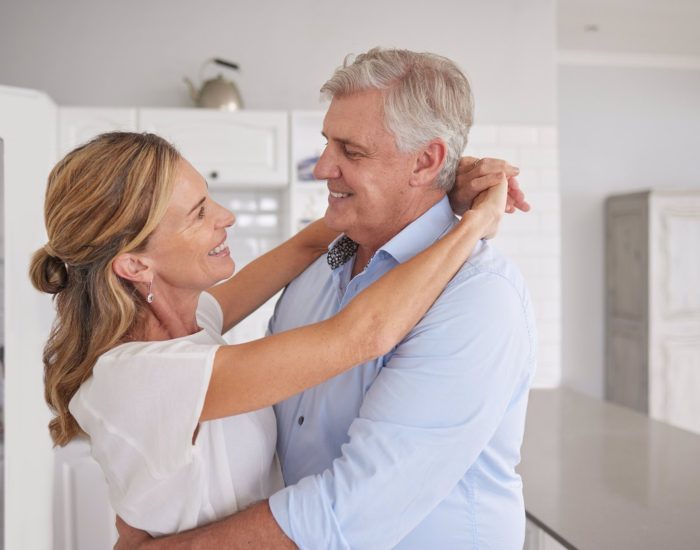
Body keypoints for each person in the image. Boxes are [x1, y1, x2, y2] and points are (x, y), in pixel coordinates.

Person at [115, 48, 535, 549]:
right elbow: (360, 334)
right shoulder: (315, 273)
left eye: (350, 151)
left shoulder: (479, 298)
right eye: (327, 144)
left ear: (426, 160)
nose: (322, 168)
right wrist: (467, 212)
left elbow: (354, 510)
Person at [29, 126, 511, 538]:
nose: (226, 216)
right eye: (198, 213)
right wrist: (474, 225)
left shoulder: (190, 328)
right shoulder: (142, 375)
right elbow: (363, 334)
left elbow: (306, 245)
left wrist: (426, 187)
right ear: (134, 264)